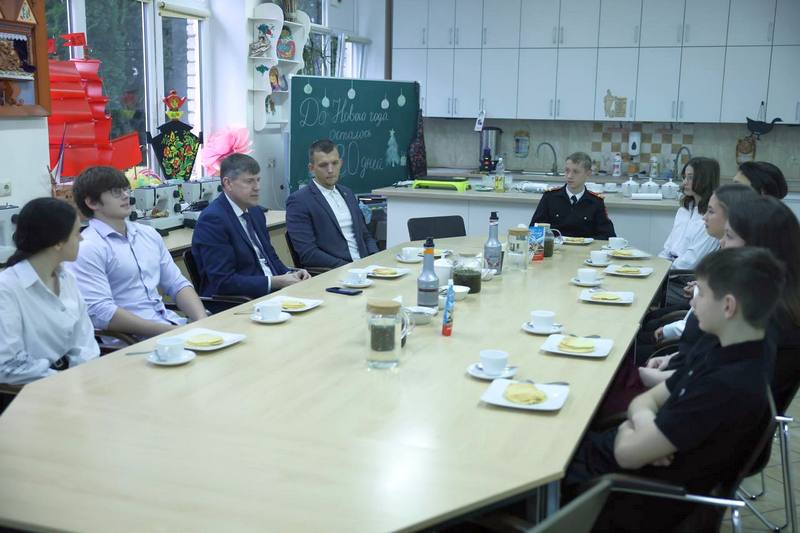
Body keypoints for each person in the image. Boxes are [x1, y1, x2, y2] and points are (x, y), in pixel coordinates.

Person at [565, 246, 784, 532]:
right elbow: (645, 400)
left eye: (701, 294)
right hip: (615, 462)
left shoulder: (724, 385)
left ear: (728, 306)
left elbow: (627, 453)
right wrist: (643, 424)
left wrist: (633, 428)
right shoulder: (726, 346)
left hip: (608, 494)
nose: (692, 302)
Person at [67, 166, 207, 338]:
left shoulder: (148, 234)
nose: (126, 195)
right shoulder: (88, 247)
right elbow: (101, 312)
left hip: (171, 328)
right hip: (132, 341)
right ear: (92, 203)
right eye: (116, 192)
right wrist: (171, 332)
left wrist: (202, 321)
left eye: (126, 189)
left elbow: (177, 284)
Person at [0, 198, 99, 384]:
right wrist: (62, 378)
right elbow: (7, 365)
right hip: (31, 390)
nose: (81, 238)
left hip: (75, 381)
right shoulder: (7, 289)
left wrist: (82, 376)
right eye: (77, 233)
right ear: (58, 242)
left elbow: (85, 343)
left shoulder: (67, 278)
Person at [192, 153, 310, 299]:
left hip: (273, 294)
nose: (257, 187)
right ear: (228, 183)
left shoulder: (255, 212)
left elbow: (270, 257)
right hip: (241, 302)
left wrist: (290, 273)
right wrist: (276, 282)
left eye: (258, 180)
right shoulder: (213, 220)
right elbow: (223, 282)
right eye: (249, 181)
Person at [285, 139, 379, 269]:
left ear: (340, 163)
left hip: (365, 267)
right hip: (335, 271)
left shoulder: (348, 193)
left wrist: (375, 258)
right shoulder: (299, 201)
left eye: (334, 163)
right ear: (311, 168)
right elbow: (308, 254)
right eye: (323, 165)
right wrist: (349, 268)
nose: (330, 170)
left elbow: (365, 235)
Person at [529, 151, 616, 240]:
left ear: (588, 174)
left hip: (585, 248)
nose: (569, 176)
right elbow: (534, 229)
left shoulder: (596, 202)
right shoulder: (550, 197)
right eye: (567, 171)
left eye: (576, 172)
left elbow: (607, 236)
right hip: (556, 247)